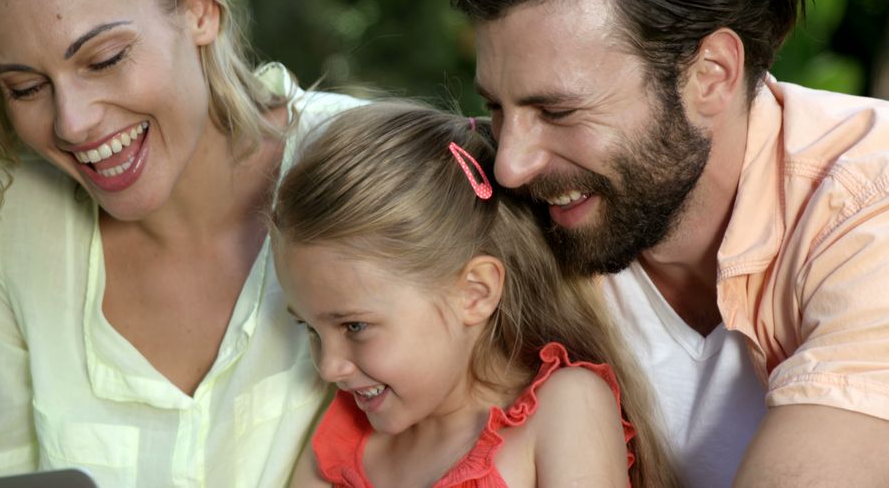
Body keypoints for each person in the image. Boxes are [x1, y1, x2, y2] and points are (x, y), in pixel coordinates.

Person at [0, 0, 366, 486]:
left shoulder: (366, 164)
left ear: (200, 11)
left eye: (104, 59)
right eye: (26, 88)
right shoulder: (3, 222)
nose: (72, 123)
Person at [445, 0, 889, 486]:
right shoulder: (497, 194)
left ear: (711, 75)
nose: (510, 164)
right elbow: (310, 126)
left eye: (557, 113)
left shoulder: (863, 205)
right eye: (500, 109)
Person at [269, 101, 679, 487]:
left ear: (474, 293)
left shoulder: (563, 411)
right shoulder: (344, 438)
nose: (328, 367)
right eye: (310, 327)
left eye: (354, 325)